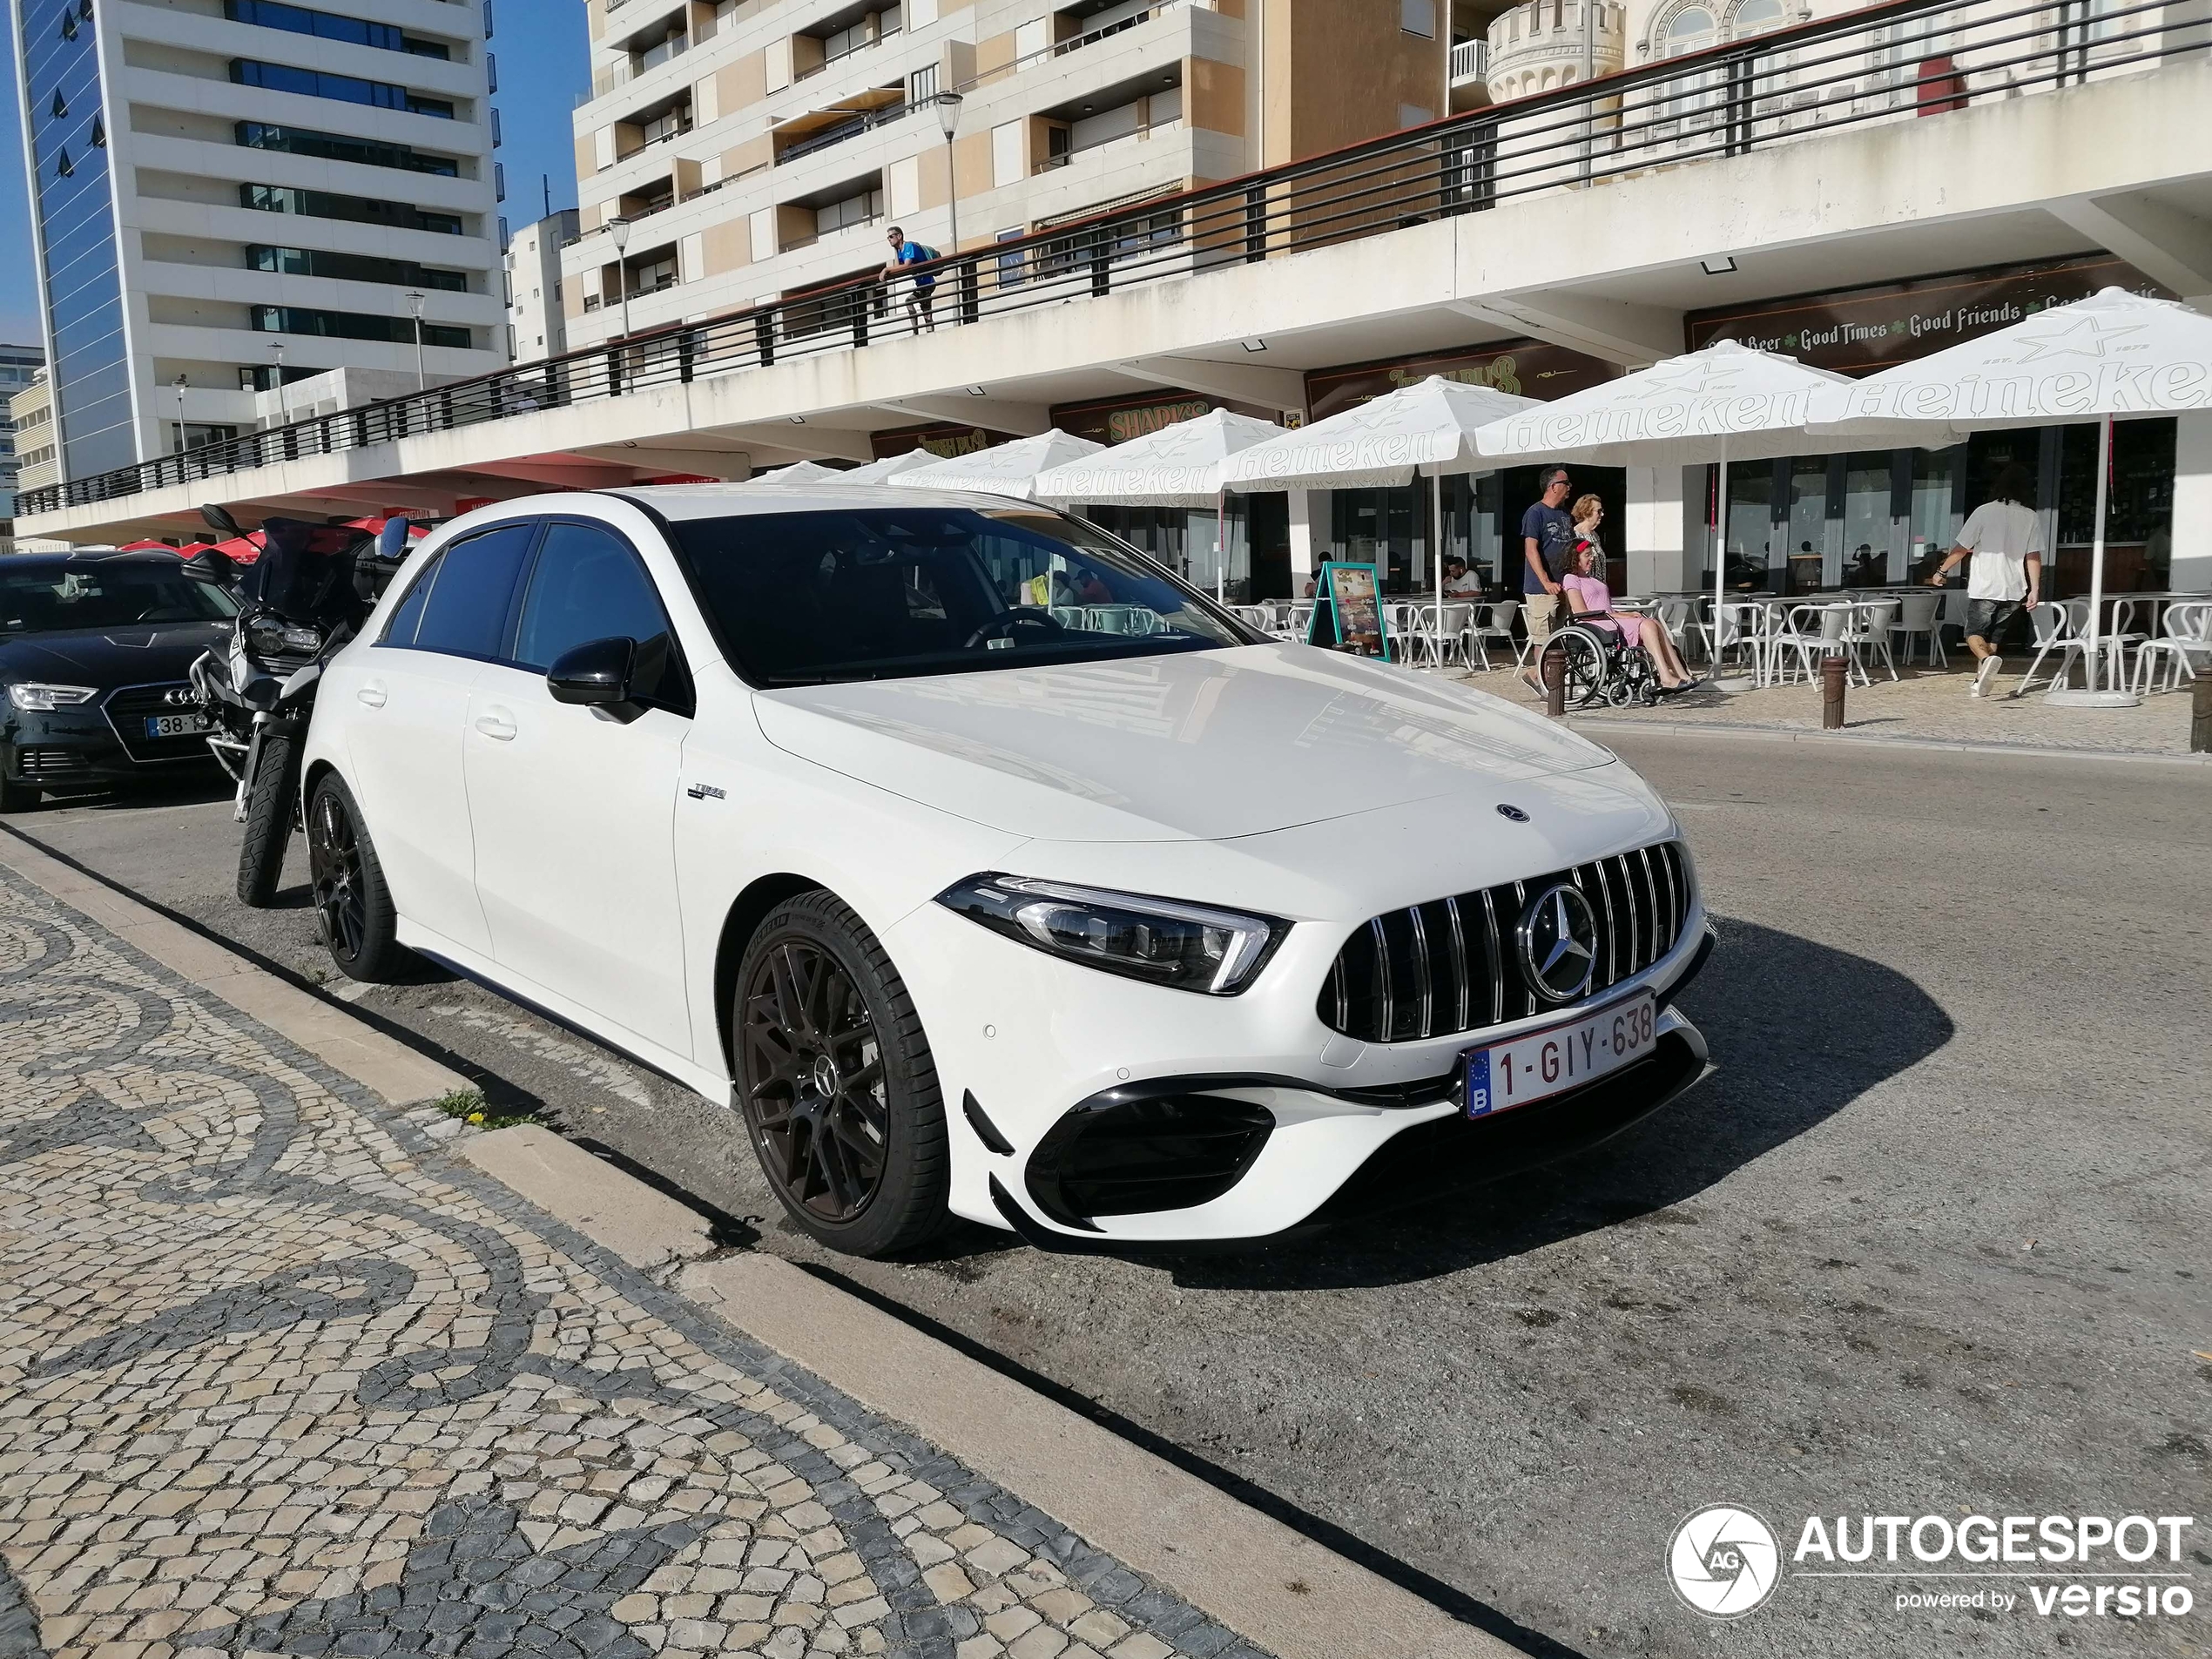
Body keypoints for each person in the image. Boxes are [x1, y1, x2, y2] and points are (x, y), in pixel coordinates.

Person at [1926, 462, 2042, 697]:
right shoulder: (2030, 517)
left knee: (1973, 634)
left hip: (1986, 586)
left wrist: (1941, 571)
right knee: (1994, 637)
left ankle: (1987, 661)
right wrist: (2035, 589)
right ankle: (1982, 683)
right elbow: (2033, 555)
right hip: (2014, 588)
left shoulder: (1984, 512)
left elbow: (1961, 548)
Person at [1560, 498, 1699, 693]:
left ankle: (1680, 673)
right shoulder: (1571, 579)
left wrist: (1626, 614)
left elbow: (1606, 608)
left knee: (1654, 622)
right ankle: (1665, 677)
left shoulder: (1595, 579)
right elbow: (1583, 612)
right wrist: (1623, 616)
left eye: (1592, 556)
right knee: (1647, 623)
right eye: (1587, 556)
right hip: (1594, 623)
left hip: (1607, 619)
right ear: (1576, 558)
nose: (1592, 559)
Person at [1519, 464, 1577, 693]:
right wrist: (1545, 581)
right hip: (1542, 588)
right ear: (1553, 486)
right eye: (1566, 483)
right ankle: (1542, 682)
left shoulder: (1564, 514)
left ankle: (1540, 676)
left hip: (1564, 585)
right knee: (1543, 637)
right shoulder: (1536, 513)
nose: (1570, 487)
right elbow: (1531, 550)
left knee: (1558, 635)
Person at [883, 226, 938, 334]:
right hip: (921, 284)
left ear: (899, 236)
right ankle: (918, 332)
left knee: (925, 309)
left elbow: (906, 265)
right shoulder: (900, 251)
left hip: (927, 283)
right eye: (888, 238)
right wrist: (895, 250)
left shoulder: (909, 246)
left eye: (891, 236)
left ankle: (927, 333)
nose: (889, 239)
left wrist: (886, 269)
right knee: (914, 304)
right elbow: (898, 268)